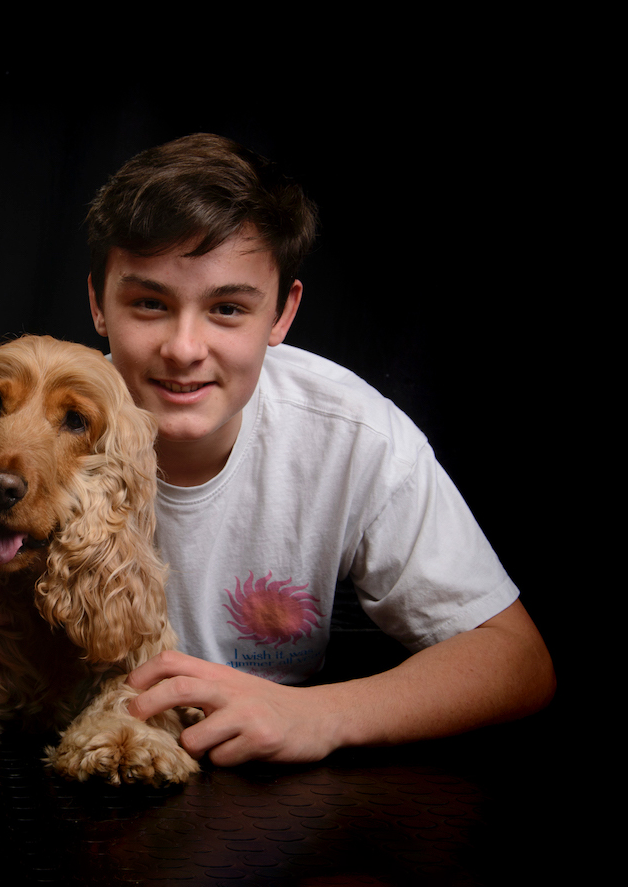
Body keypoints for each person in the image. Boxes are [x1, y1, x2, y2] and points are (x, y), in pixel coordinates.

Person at [85, 133, 555, 766]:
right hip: (78, 757)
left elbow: (517, 659)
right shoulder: (28, 427)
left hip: (262, 790)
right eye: (149, 303)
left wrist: (318, 714)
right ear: (97, 303)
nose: (183, 348)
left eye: (227, 308)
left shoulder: (352, 433)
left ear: (282, 314)